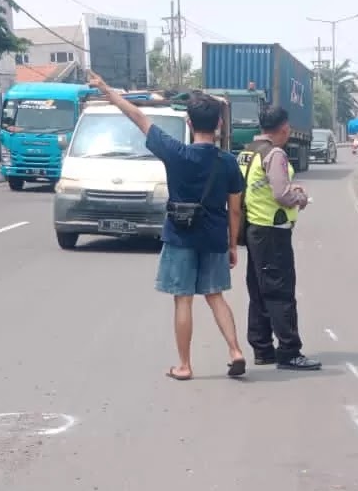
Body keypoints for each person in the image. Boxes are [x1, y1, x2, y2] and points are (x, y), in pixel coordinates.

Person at [86, 71, 248, 381]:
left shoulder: (175, 152)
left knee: (183, 299)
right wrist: (231, 245)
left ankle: (184, 366)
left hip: (181, 236)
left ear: (189, 123)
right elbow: (235, 209)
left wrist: (107, 89)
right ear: (219, 124)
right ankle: (235, 351)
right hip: (214, 237)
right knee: (215, 296)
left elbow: (138, 117)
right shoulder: (228, 162)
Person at [237, 105, 321, 371]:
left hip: (254, 229)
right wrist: (300, 198)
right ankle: (289, 351)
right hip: (272, 231)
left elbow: (258, 187)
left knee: (258, 290)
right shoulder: (275, 154)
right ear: (284, 128)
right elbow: (281, 195)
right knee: (280, 291)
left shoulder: (248, 151)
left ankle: (262, 348)